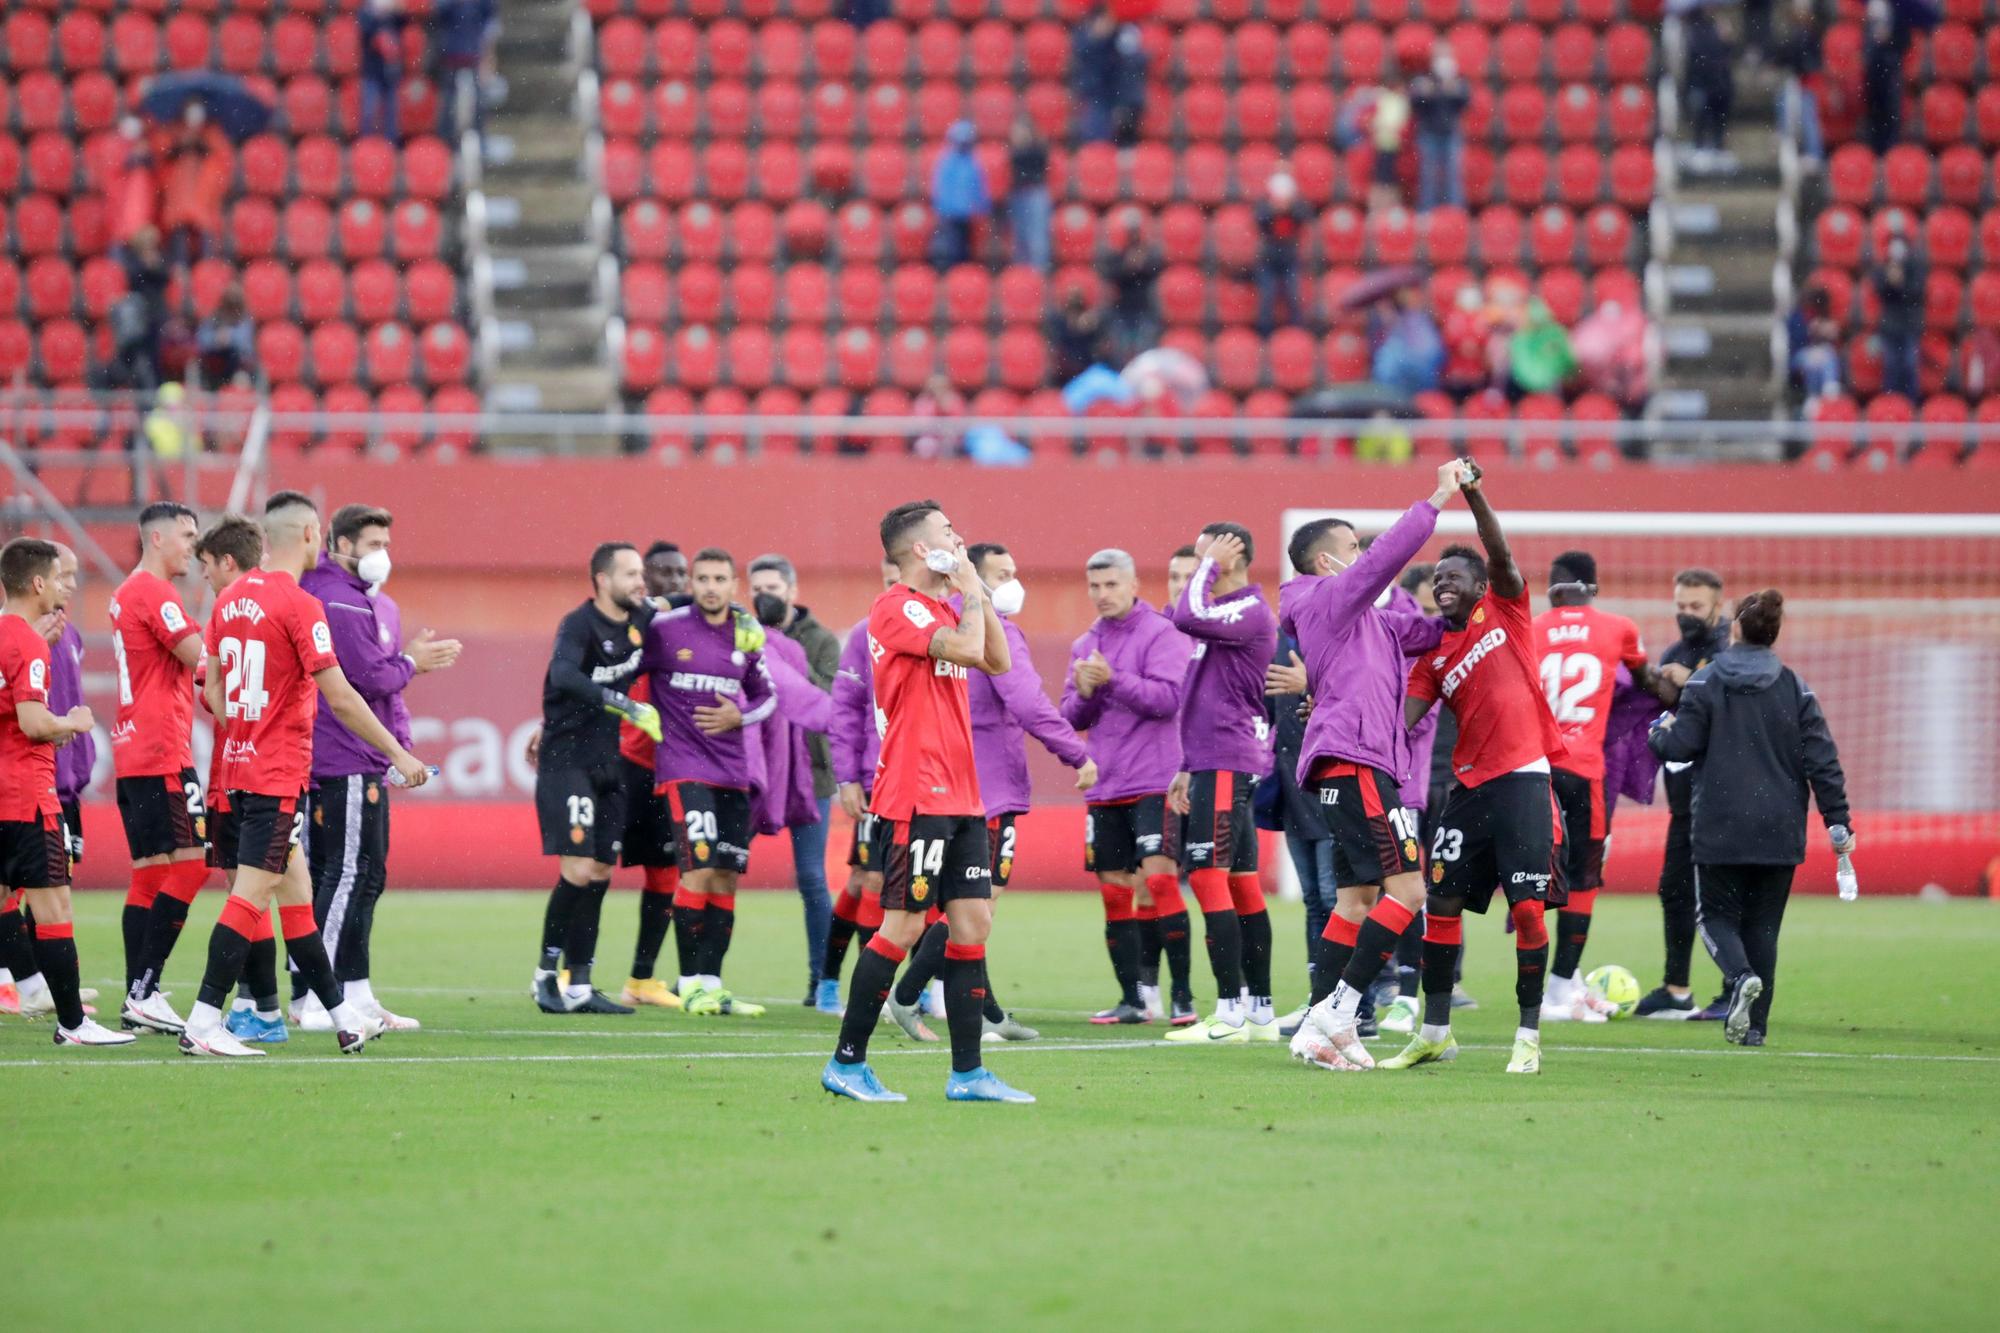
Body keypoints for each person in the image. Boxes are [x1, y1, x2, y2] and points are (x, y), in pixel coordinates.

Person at [1302, 471, 1567, 1075]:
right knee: (1438, 903)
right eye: (1437, 579)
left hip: (1524, 776)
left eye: (1454, 577)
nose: (1442, 585)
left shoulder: (1508, 609)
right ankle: (1435, 1031)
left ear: (1481, 584)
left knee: (1526, 911)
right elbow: (1399, 718)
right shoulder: (1433, 656)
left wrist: (1472, 493)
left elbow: (1498, 549)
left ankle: (1528, 1035)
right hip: (1467, 789)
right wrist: (1334, 705)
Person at [178, 492, 432, 1057]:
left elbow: (213, 691)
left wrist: (247, 725)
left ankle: (342, 1017)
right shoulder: (300, 605)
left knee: (296, 899)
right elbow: (340, 697)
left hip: (236, 770)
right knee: (249, 899)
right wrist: (400, 754)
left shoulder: (228, 599)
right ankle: (202, 1022)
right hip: (274, 775)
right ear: (315, 535)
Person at [821, 500, 1029, 1104]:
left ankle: (968, 1075)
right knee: (905, 923)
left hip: (963, 792)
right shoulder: (896, 607)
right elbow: (967, 651)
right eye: (947, 533)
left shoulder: (945, 604)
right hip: (917, 791)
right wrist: (968, 590)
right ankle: (846, 1063)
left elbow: (999, 658)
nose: (959, 539)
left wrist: (974, 593)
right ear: (920, 549)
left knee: (972, 922)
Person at [1279, 465, 1464, 1072]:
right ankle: (1340, 1013)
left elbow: (1421, 630)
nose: (1361, 556)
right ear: (1327, 564)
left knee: (1355, 898)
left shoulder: (1366, 619)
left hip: (1350, 764)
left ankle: (1316, 1021)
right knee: (1409, 890)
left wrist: (1465, 612)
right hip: (1357, 764)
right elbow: (1386, 559)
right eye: (1352, 548)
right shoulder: (1326, 600)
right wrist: (1438, 497)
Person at [883, 543, 1096, 1044]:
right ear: (972, 577)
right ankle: (908, 994)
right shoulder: (993, 631)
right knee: (976, 909)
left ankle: (988, 1013)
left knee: (962, 907)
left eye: (1015, 570)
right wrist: (1077, 754)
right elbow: (1026, 700)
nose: (1014, 583)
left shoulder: (941, 623)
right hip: (987, 789)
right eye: (1003, 573)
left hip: (947, 782)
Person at [1647, 590, 1852, 1046]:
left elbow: (1679, 746)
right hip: (1780, 827)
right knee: (1763, 927)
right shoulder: (1796, 688)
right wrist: (1838, 821)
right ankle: (1755, 1028)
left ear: (1735, 628)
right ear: (1773, 634)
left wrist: (1657, 732)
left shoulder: (1705, 684)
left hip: (1720, 823)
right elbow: (1823, 761)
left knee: (1715, 916)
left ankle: (1739, 978)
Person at [294, 504, 461, 1033]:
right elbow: (371, 678)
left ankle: (356, 991)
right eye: (371, 545)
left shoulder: (375, 603)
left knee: (367, 877)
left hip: (365, 754)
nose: (381, 556)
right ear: (338, 543)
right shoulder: (334, 600)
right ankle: (317, 997)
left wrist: (400, 746)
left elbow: (389, 692)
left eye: (386, 544)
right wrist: (412, 663)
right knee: (341, 875)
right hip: (338, 754)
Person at [633, 549, 774, 1017]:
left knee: (725, 878)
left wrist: (741, 714)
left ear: (734, 584)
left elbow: (767, 696)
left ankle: (713, 983)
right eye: (703, 579)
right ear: (691, 583)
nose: (711, 587)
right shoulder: (665, 631)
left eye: (720, 579)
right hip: (683, 767)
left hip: (732, 772)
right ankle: (689, 983)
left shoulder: (746, 634)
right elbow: (619, 667)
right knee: (695, 869)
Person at [1156, 524, 1280, 1044]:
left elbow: (1187, 613)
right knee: (1240, 883)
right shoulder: (1226, 621)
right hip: (1214, 760)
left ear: (1229, 558)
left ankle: (1229, 1012)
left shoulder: (1246, 610)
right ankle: (1260, 1012)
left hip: (1226, 760)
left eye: (1205, 554)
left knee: (1208, 877)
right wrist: (1186, 763)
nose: (1197, 566)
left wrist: (1208, 568)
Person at [0, 538, 125, 1047]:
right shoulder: (27, 642)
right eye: (58, 578)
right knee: (54, 911)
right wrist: (70, 722)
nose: (63, 588)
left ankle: (34, 990)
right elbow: (32, 722)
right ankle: (74, 1023)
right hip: (27, 796)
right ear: (37, 583)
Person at [530, 542, 660, 1016]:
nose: (640, 581)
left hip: (610, 763)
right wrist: (623, 703)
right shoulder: (579, 625)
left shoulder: (641, 617)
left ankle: (581, 983)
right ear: (603, 580)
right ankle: (546, 975)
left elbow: (677, 606)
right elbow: (562, 675)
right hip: (568, 764)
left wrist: (736, 614)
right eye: (630, 574)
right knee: (578, 870)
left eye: (641, 572)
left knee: (602, 871)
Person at [1061, 549, 1189, 1025]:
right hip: (1106, 784)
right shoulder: (1085, 643)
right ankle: (1133, 999)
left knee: (1158, 880)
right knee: (1115, 891)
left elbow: (1167, 700)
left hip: (1156, 778)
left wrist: (1113, 679)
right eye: (1095, 586)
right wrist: (1088, 691)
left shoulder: (1162, 633)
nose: (1102, 595)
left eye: (1112, 585)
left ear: (1135, 585)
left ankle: (1184, 997)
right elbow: (1069, 716)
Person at [1533, 551, 1655, 1022]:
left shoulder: (1531, 627)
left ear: (1552, 588)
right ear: (1594, 588)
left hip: (1533, 769)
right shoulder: (1618, 627)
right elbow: (1646, 681)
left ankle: (1560, 985)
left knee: (1531, 877)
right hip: (1583, 771)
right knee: (1583, 878)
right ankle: (1559, 990)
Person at [108, 502, 213, 1035]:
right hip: (161, 748)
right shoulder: (153, 592)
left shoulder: (126, 592)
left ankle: (136, 995)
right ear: (156, 536)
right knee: (194, 865)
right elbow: (201, 657)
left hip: (135, 749)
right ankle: (145, 990)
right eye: (187, 534)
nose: (194, 545)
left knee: (150, 873)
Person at [193, 514, 289, 1043]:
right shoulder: (240, 610)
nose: (204, 575)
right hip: (251, 771)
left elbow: (216, 696)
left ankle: (262, 1008)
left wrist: (240, 720)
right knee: (256, 890)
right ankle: (262, 1006)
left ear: (228, 561)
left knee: (252, 890)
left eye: (206, 564)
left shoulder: (230, 611)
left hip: (250, 773)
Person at [1634, 567, 1732, 1019]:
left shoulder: (1731, 654)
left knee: (1722, 896)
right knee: (1673, 891)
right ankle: (1677, 989)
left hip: (1722, 798)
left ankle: (1736, 985)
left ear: (1718, 607)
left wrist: (1688, 679)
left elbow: (1728, 703)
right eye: (1680, 606)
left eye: (1696, 606)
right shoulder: (1676, 651)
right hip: (1683, 800)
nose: (1687, 614)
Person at [748, 552, 843, 1001]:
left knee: (810, 877)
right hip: (755, 770)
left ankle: (821, 978)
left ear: (792, 591)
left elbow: (827, 697)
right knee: (714, 869)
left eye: (772, 588)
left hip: (812, 772)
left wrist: (779, 664)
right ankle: (697, 976)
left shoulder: (821, 639)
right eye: (758, 588)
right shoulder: (741, 634)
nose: (764, 595)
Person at [817, 559, 900, 1013]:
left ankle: (917, 986)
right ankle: (842, 982)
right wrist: (846, 777)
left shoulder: (944, 629)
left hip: (929, 782)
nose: (895, 590)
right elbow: (845, 712)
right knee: (870, 878)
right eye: (888, 581)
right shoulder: (863, 635)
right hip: (877, 780)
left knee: (920, 884)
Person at [612, 540, 689, 1009]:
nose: (677, 581)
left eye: (683, 573)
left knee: (664, 873)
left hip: (666, 766)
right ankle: (562, 972)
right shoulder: (626, 622)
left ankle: (641, 979)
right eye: (666, 572)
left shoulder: (691, 626)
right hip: (622, 760)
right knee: (591, 867)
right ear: (644, 577)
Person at [44, 546, 92, 885]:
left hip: (67, 785)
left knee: (60, 884)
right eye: (63, 575)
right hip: (37, 784)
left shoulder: (71, 634)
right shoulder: (15, 632)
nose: (72, 584)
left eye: (75, 575)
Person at [430, 0, 497, 143]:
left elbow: (489, 21)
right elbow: (436, 12)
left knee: (479, 100)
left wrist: (487, 54)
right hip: (450, 54)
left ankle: (480, 138)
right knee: (448, 102)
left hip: (473, 54)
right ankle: (445, 142)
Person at [1410, 52, 1469, 212]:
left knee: (1453, 175)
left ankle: (1456, 211)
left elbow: (1465, 102)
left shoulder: (1457, 81)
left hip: (1450, 133)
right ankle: (1426, 211)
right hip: (1429, 132)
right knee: (1428, 176)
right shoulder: (1424, 80)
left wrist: (1452, 90)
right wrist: (1427, 93)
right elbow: (1415, 104)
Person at [1871, 228, 1924, 401]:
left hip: (1909, 325)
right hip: (1890, 326)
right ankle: (1890, 404)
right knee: (1891, 366)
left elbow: (1917, 292)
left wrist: (1901, 284)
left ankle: (1911, 403)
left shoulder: (1915, 267)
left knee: (1909, 365)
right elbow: (1880, 291)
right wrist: (1890, 281)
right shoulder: (1883, 267)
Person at [1254, 170, 1309, 336]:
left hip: (1289, 258)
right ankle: (1265, 334)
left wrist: (1288, 209)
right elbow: (1260, 220)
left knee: (1293, 296)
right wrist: (1275, 210)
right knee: (1267, 297)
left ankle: (1297, 333)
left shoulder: (1297, 207)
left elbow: (1304, 216)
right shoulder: (1264, 207)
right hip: (1269, 259)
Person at [1684, 6, 1737, 173]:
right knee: (1701, 118)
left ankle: (1717, 147)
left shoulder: (1720, 28)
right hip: (1702, 82)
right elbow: (1696, 56)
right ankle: (1700, 148)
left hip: (1720, 83)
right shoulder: (1695, 30)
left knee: (1719, 119)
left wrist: (1727, 39)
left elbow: (1728, 54)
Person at [930, 121, 990, 271]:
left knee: (965, 249)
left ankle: (963, 278)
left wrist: (982, 206)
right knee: (952, 249)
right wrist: (941, 209)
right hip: (951, 214)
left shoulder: (973, 162)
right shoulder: (947, 162)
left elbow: (978, 187)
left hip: (967, 214)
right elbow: (940, 188)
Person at [1773, 0, 1826, 168]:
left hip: (1807, 83)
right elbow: (1782, 56)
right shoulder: (1791, 34)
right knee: (1785, 114)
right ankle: (1785, 148)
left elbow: (1814, 60)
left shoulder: (1813, 33)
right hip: (1792, 81)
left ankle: (1813, 153)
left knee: (1808, 117)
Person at [1101, 233, 1163, 364]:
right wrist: (1128, 266)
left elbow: (1157, 269)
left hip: (1144, 311)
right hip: (1121, 311)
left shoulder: (1149, 260)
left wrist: (1141, 264)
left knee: (1145, 351)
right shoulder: (1118, 259)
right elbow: (1110, 273)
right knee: (1120, 351)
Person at [1861, 1, 1908, 156]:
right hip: (1873, 72)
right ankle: (1875, 152)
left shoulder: (1898, 11)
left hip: (1890, 70)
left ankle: (1890, 153)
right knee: (1874, 115)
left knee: (1891, 114)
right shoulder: (1869, 10)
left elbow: (1905, 41)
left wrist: (1890, 38)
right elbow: (1865, 45)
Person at [1006, 116, 1052, 273]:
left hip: (1035, 193)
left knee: (1037, 237)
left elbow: (1035, 160)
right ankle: (1022, 278)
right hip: (1019, 194)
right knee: (1020, 237)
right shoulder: (1014, 150)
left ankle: (1038, 273)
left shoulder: (1036, 148)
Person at [359, 0, 407, 142]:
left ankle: (390, 144)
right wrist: (377, 14)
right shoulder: (366, 12)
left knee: (392, 112)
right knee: (369, 110)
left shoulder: (393, 16)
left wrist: (396, 10)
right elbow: (365, 30)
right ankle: (366, 143)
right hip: (372, 70)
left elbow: (404, 23)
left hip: (390, 71)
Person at [1071, 11, 1122, 144]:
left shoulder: (1115, 38)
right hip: (1092, 93)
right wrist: (1096, 38)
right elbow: (1082, 54)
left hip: (1110, 93)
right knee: (1093, 131)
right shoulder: (1084, 36)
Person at [1786, 283, 1843, 401]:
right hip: (1800, 355)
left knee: (1827, 354)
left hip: (1822, 354)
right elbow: (1796, 340)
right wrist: (1810, 331)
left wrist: (1828, 332)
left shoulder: (1824, 315)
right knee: (1814, 360)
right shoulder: (1796, 316)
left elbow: (1835, 338)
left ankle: (1829, 388)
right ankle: (1813, 395)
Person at [1508, 299, 1576, 397]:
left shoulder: (1555, 334)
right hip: (1523, 387)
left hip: (1551, 386)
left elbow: (1569, 362)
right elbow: (1524, 371)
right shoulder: (1520, 339)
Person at [196, 286, 256, 387]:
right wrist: (215, 339)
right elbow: (201, 342)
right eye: (229, 305)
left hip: (236, 367)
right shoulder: (213, 318)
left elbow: (247, 347)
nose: (231, 309)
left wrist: (230, 337)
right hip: (213, 367)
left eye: (235, 305)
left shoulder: (245, 320)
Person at [1369, 71, 1410, 212]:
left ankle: (1390, 210)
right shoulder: (1383, 99)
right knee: (1381, 181)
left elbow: (1403, 125)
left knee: (1392, 181)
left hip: (1396, 147)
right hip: (1383, 146)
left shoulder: (1401, 101)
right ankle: (1378, 209)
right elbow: (1373, 120)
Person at [1048, 288, 1106, 386]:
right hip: (1064, 374)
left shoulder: (1092, 324)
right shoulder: (1058, 323)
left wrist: (1090, 326)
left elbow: (1100, 347)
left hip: (1086, 371)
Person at [1111, 24, 1148, 148]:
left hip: (1130, 101)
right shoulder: (1119, 59)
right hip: (1124, 100)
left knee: (1129, 130)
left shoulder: (1136, 59)